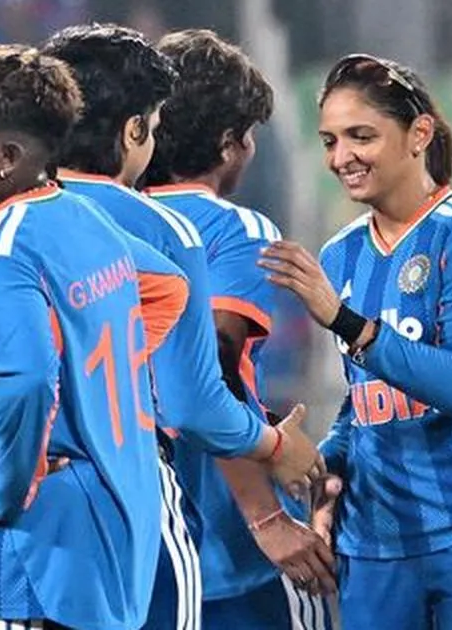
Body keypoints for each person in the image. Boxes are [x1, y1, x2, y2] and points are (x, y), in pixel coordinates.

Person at [258, 53, 452, 630]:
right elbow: (366, 398)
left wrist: (345, 321)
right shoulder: (341, 254)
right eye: (330, 141)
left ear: (419, 134)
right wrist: (326, 464)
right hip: (377, 542)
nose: (341, 157)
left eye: (361, 136)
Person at [0, 43, 176, 629]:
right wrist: (99, 378)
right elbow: (167, 286)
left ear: (7, 157)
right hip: (115, 511)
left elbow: (29, 380)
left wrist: (9, 488)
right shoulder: (78, 215)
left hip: (40, 541)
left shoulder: (1, 246)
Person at [142, 29, 334, 629]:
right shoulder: (234, 229)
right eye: (247, 135)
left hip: (125, 547)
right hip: (223, 543)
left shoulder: (96, 219)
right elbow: (213, 367)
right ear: (229, 144)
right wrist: (266, 516)